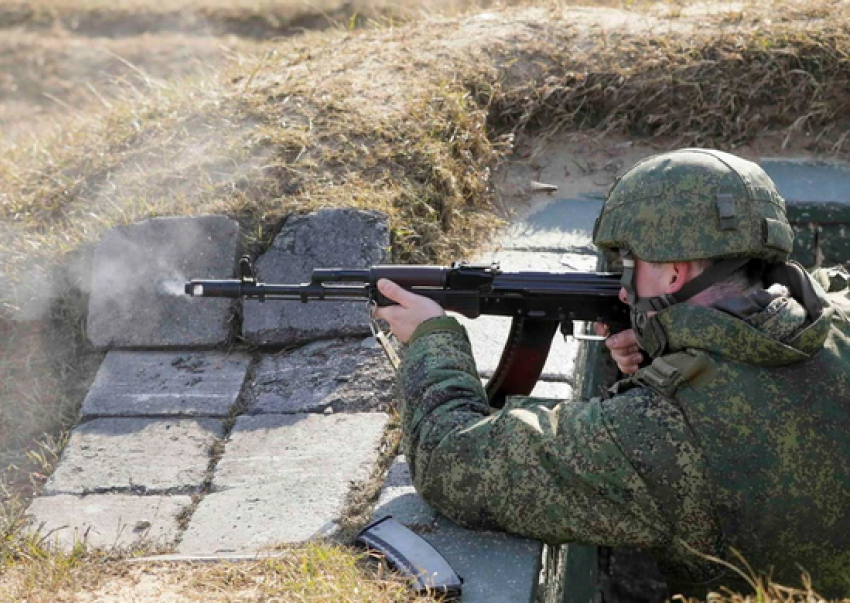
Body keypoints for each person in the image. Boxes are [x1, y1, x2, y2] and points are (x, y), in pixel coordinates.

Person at [374, 148, 850, 598]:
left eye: (629, 264)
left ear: (673, 276)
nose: (623, 290)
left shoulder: (657, 431)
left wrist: (432, 338)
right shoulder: (840, 322)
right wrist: (672, 350)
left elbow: (450, 459)